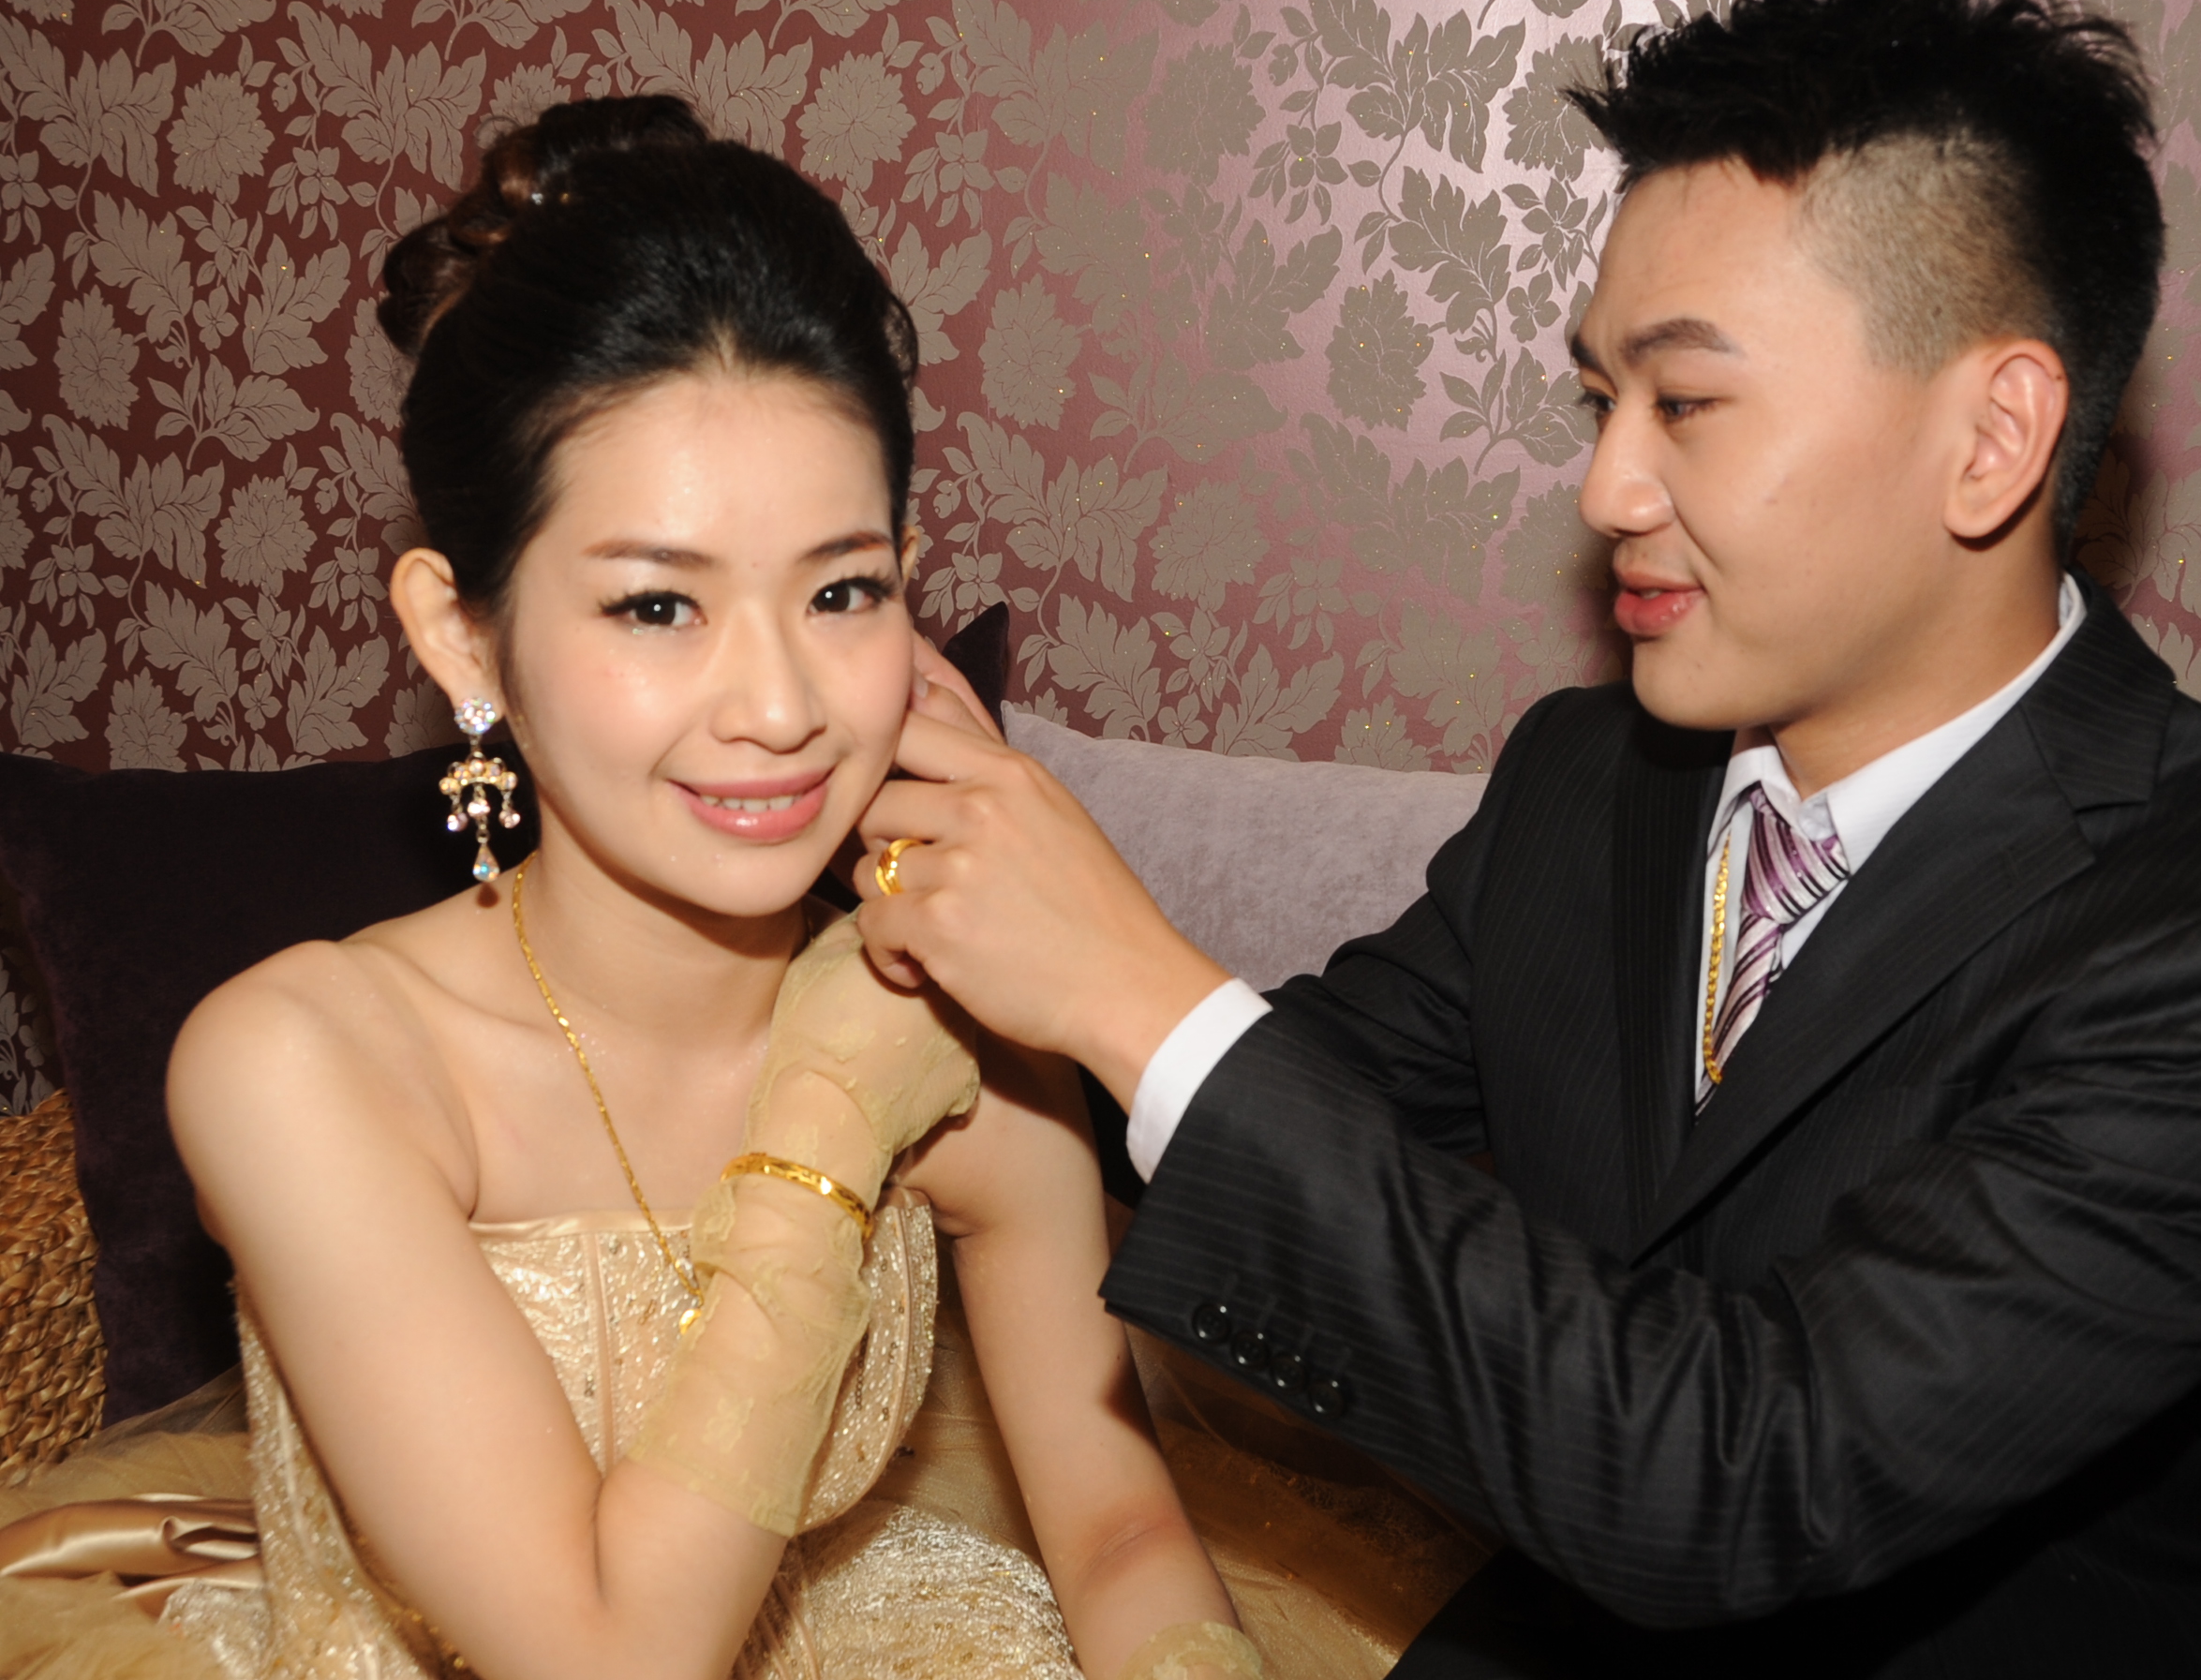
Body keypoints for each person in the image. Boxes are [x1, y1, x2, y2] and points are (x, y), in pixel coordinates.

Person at [849, 0, 2201, 1675]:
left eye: (1685, 404)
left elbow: (1750, 1475)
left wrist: (1126, 984)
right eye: (1599, 403)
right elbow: (1275, 1106)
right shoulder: (1592, 777)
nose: (1607, 486)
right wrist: (865, 839)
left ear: (1994, 438)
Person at [0, 96, 1298, 1680]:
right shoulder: (301, 1065)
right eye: (658, 607)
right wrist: (829, 1123)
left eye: (842, 591)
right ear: (462, 636)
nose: (780, 705)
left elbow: (1119, 1534)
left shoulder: (967, 1028)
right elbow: (607, 1661)